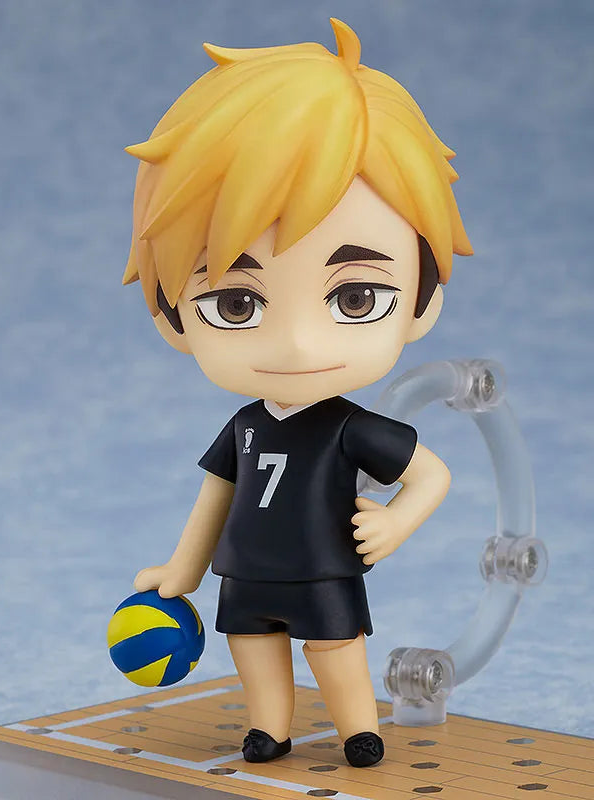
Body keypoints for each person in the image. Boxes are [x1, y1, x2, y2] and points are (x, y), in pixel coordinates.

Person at [126, 18, 472, 767]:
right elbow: (215, 496)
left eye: (355, 298)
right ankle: (270, 729)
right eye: (236, 304)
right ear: (170, 316)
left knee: (335, 649)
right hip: (246, 567)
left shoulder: (349, 426)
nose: (297, 346)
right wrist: (183, 572)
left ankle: (358, 730)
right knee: (253, 649)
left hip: (323, 566)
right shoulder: (245, 425)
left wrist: (396, 523)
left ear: (422, 300)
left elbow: (432, 475)